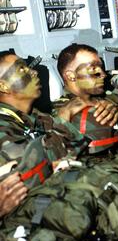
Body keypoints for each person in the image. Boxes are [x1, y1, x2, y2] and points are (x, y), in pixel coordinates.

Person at [0, 50, 90, 189]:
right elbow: (33, 170)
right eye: (22, 69)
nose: (34, 72)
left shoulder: (35, 116)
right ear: (3, 86)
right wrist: (63, 119)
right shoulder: (3, 126)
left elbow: (78, 146)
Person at [53, 43, 118, 156]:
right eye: (93, 68)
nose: (103, 74)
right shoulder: (64, 111)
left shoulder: (105, 100)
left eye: (101, 67)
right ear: (71, 76)